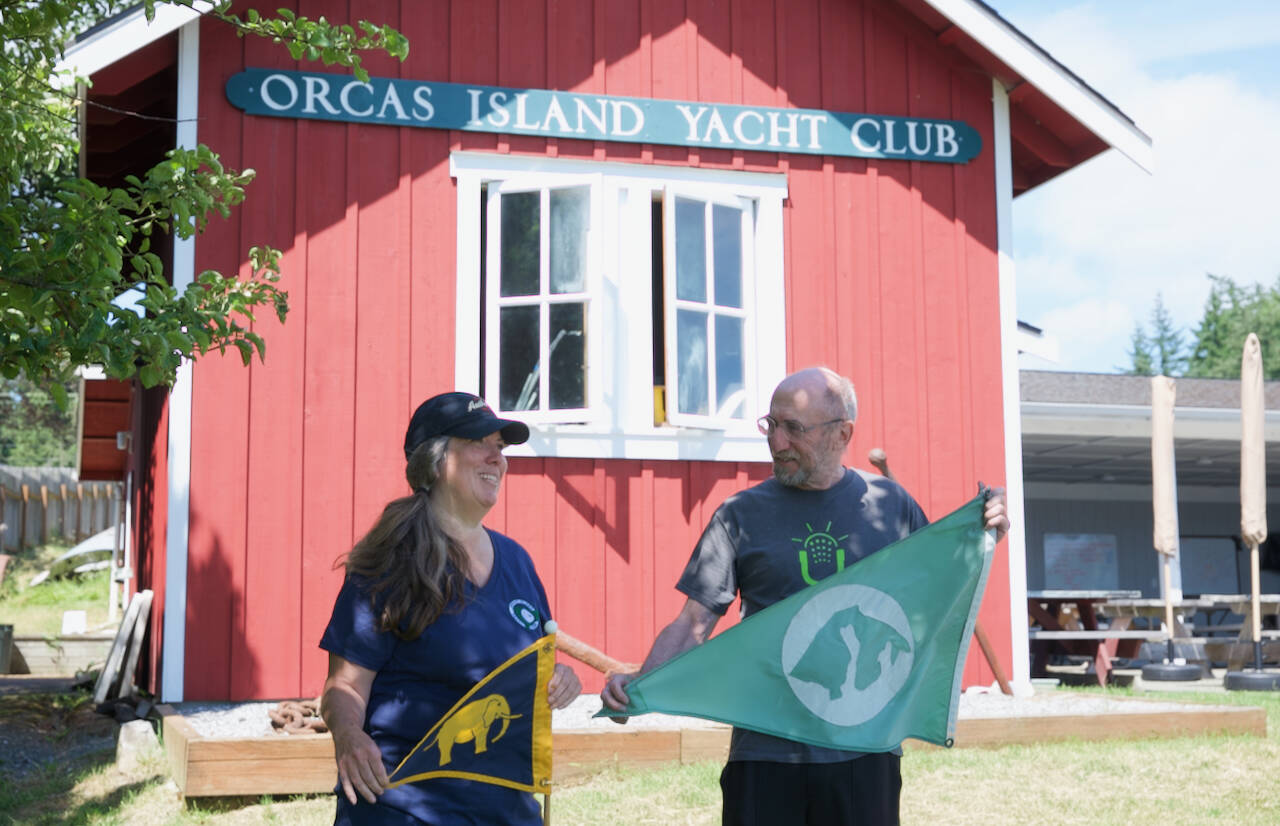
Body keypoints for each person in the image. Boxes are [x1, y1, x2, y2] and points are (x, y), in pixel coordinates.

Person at [601, 366, 1009, 826]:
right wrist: (640, 686)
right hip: (766, 752)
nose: (777, 443)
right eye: (771, 425)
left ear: (842, 433)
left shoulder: (892, 507)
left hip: (863, 749)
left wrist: (984, 534)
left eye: (793, 428)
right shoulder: (740, 516)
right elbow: (694, 622)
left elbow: (937, 591)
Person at [320, 392, 582, 825]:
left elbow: (527, 667)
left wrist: (559, 678)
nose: (498, 458)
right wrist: (348, 736)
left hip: (507, 810)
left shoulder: (516, 561)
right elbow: (344, 687)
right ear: (436, 460)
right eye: (482, 443)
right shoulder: (388, 562)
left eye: (502, 448)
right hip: (405, 808)